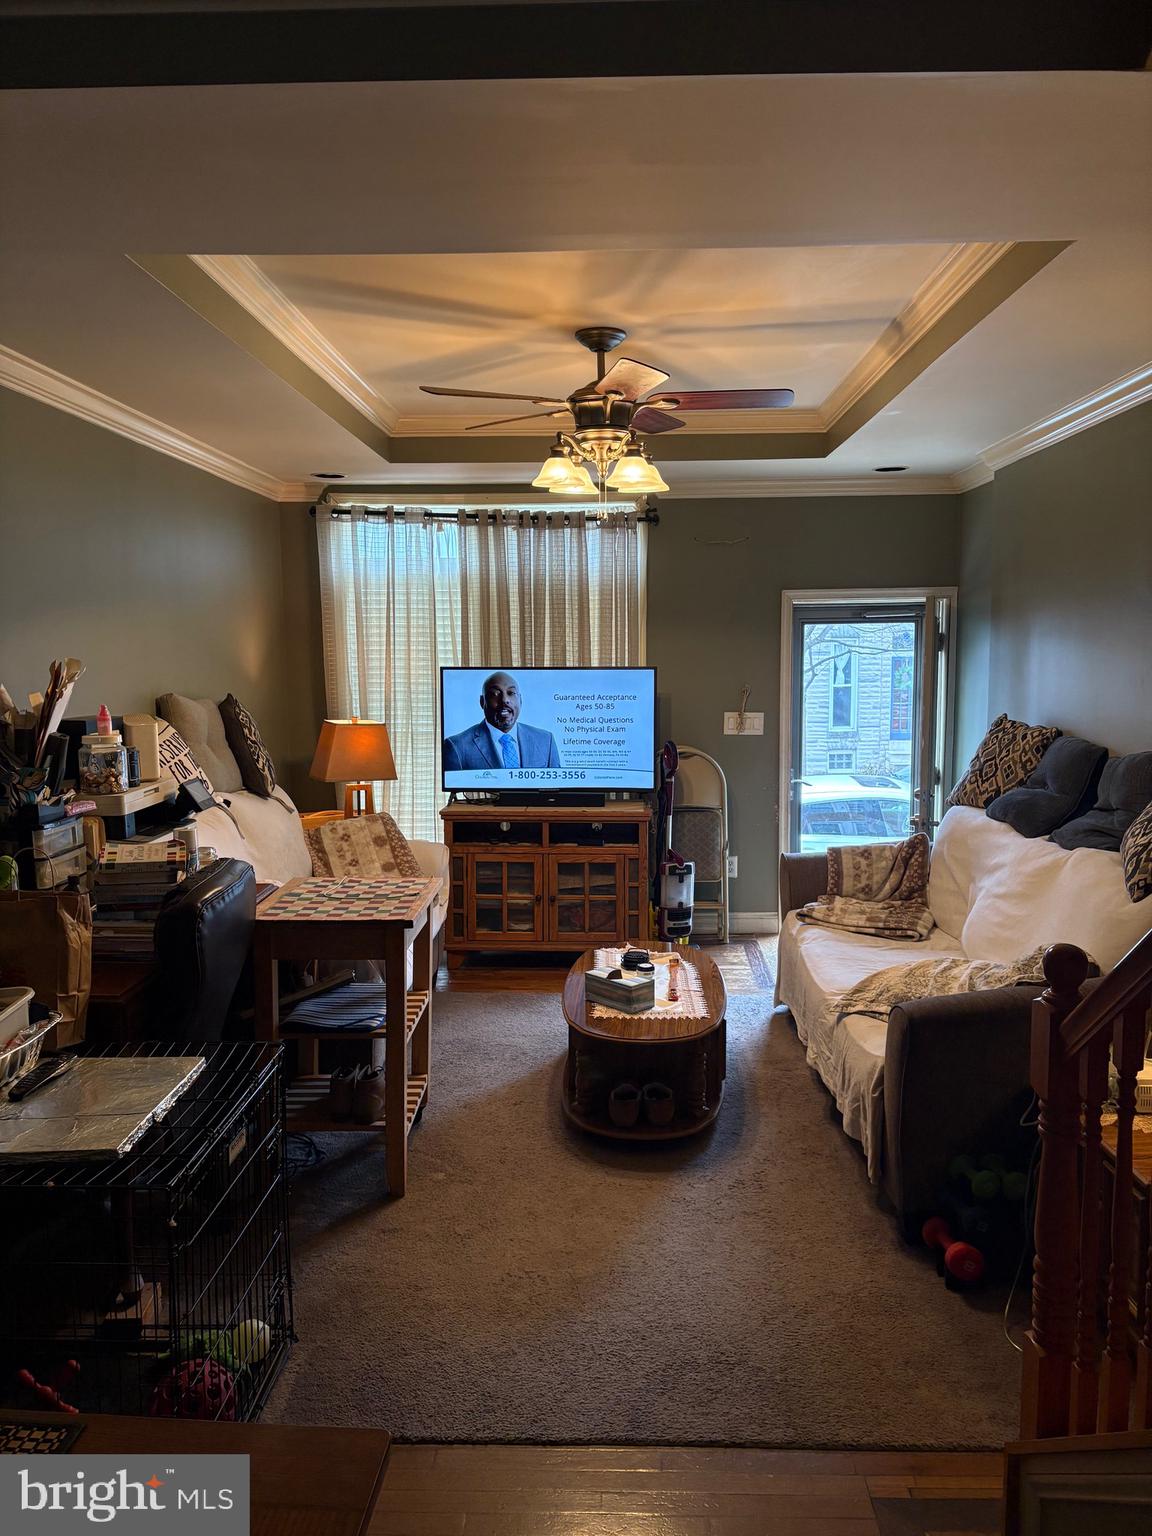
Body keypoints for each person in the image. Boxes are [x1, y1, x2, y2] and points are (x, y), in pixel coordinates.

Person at [443, 671, 562, 772]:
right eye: (495, 694)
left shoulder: (546, 740)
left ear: (520, 700)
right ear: (482, 702)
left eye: (511, 693)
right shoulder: (456, 746)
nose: (504, 700)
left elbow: (557, 790)